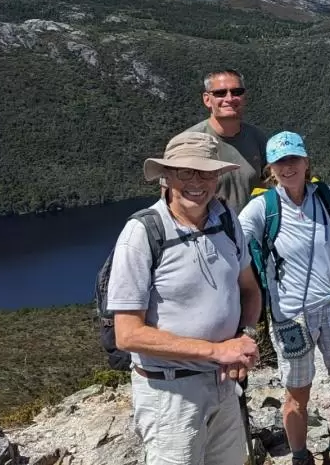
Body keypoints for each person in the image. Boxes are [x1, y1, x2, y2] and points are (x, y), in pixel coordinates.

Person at [106, 131, 262, 465]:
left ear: (218, 177)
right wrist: (217, 350)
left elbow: (248, 288)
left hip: (223, 385)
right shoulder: (143, 233)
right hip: (170, 394)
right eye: (185, 172)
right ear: (166, 176)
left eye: (206, 172)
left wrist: (243, 337)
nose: (197, 182)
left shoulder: (227, 221)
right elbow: (127, 334)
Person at [238, 132, 330, 465]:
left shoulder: (326, 197)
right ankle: (299, 455)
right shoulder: (262, 209)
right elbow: (233, 244)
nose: (288, 167)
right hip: (291, 317)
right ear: (271, 168)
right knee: (298, 395)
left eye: (294, 159)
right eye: (281, 162)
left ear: (307, 162)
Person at [183, 69, 269, 213]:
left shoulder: (258, 138)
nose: (229, 98)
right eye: (220, 93)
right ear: (207, 99)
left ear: (244, 97)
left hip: (253, 230)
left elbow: (273, 182)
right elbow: (171, 195)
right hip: (209, 231)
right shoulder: (189, 142)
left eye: (236, 92)